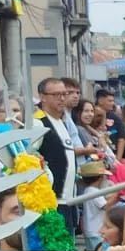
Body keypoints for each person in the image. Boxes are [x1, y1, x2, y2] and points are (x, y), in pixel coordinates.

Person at [33, 77, 79, 223]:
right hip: (51, 202)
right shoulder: (38, 123)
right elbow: (29, 157)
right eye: (56, 95)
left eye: (64, 94)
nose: (62, 98)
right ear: (42, 97)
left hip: (69, 200)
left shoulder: (62, 122)